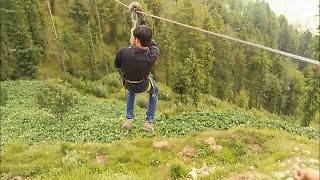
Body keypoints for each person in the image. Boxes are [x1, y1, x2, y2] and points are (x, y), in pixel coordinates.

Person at [114, 7, 160, 132]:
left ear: (136, 40)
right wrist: (144, 23)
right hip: (143, 85)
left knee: (130, 91)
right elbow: (152, 44)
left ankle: (129, 119)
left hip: (128, 83)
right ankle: (148, 121)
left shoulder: (123, 51)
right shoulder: (151, 56)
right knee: (154, 91)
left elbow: (117, 65)